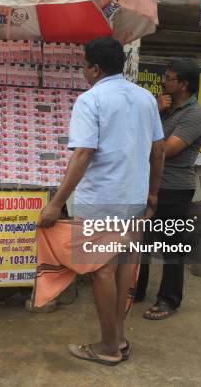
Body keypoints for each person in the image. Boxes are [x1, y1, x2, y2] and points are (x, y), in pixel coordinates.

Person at [38, 37, 165, 365]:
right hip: (134, 197)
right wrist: (152, 193)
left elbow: (82, 154)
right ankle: (119, 338)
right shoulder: (145, 98)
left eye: (85, 65)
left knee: (103, 270)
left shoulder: (90, 100)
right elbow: (159, 150)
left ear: (94, 68)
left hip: (101, 200)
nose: (84, 71)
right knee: (123, 266)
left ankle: (108, 347)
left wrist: (55, 204)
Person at [135, 58, 201, 320]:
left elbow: (166, 150)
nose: (163, 81)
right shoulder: (163, 109)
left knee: (171, 247)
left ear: (184, 84)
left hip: (174, 188)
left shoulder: (196, 115)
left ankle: (169, 300)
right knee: (140, 242)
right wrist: (155, 111)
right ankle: (136, 289)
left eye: (169, 77)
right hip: (149, 184)